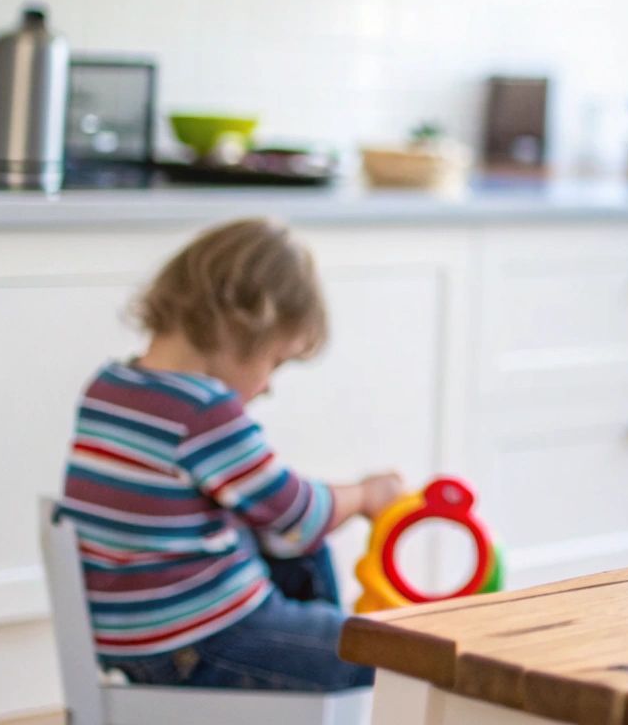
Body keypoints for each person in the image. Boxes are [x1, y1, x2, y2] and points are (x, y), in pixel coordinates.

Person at [59, 218, 404, 690]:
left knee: (302, 558)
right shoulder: (201, 410)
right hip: (200, 641)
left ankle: (314, 672)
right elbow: (299, 513)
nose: (267, 387)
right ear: (240, 328)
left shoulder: (109, 386)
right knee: (382, 650)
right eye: (274, 362)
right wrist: (367, 494)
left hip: (134, 639)